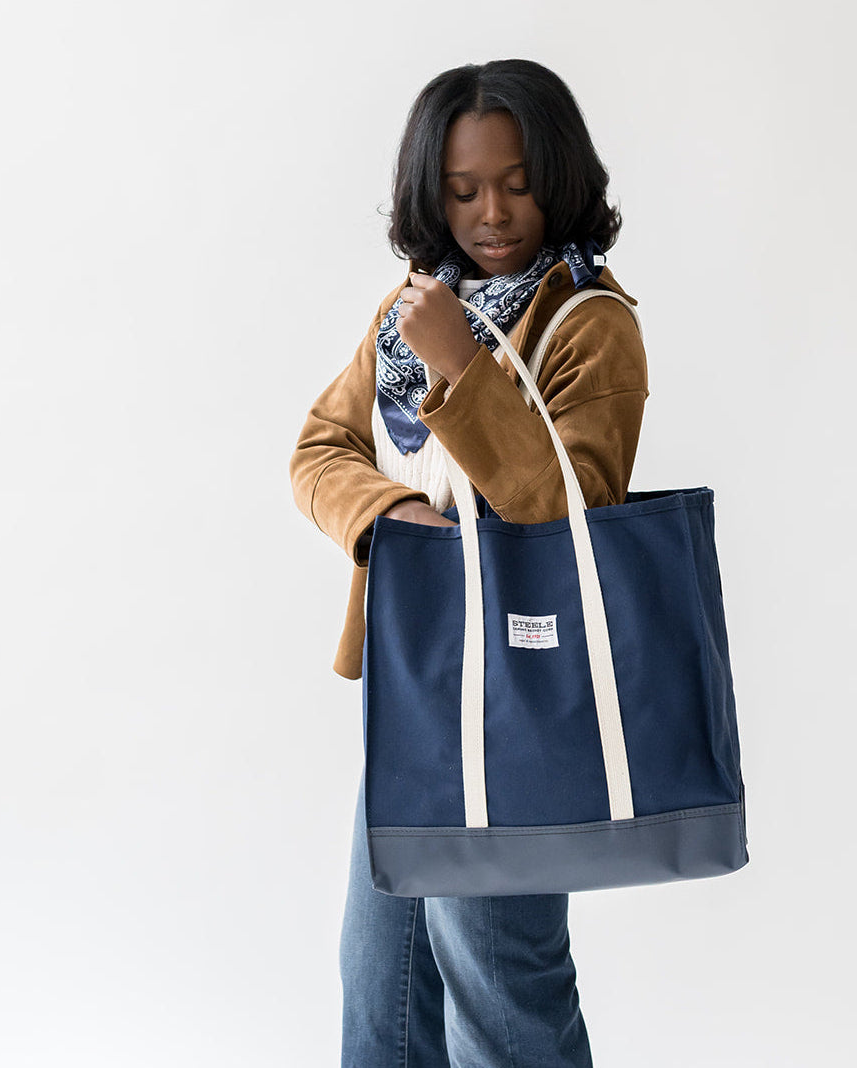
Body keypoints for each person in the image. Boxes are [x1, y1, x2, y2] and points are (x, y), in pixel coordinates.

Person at [289, 58, 649, 1068]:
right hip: (416, 690)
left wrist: (463, 367)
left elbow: (568, 509)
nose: (491, 211)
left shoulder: (590, 323)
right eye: (461, 189)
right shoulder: (410, 312)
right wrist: (393, 511)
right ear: (429, 195)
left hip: (516, 697)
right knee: (381, 996)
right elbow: (319, 451)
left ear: (558, 177)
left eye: (515, 181)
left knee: (500, 992)